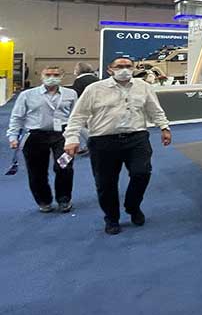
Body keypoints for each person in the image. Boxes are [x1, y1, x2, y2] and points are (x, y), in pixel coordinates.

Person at [64, 56, 172, 235]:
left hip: (137, 137)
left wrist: (164, 127)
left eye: (128, 66)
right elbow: (78, 116)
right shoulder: (94, 89)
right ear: (110, 69)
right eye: (119, 66)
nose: (124, 69)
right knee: (106, 183)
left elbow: (154, 109)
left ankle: (132, 206)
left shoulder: (143, 86)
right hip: (103, 141)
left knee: (142, 173)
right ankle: (112, 218)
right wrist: (71, 138)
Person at [6, 66, 78, 212]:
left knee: (64, 167)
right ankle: (44, 200)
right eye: (48, 74)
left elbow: (75, 116)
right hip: (35, 135)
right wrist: (13, 136)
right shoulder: (27, 94)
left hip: (62, 135)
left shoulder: (71, 94)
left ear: (62, 76)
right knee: (37, 171)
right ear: (42, 76)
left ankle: (64, 199)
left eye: (56, 75)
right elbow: (17, 116)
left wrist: (77, 137)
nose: (52, 77)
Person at [71, 62, 98, 155]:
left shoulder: (79, 81)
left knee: (81, 126)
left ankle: (91, 143)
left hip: (86, 107)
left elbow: (76, 95)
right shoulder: (97, 79)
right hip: (98, 106)